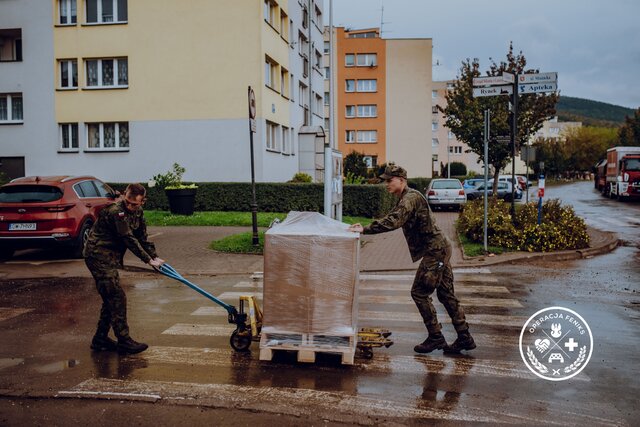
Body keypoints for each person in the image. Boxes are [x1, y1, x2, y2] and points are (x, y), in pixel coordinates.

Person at [349, 164, 475, 354]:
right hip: (439, 249)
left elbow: (394, 221)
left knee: (419, 293)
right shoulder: (406, 197)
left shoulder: (410, 198)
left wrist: (365, 229)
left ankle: (435, 337)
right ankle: (464, 337)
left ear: (401, 179)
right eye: (385, 181)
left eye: (389, 180)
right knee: (445, 294)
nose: (386, 184)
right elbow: (395, 217)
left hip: (436, 250)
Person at [84, 183, 164, 354]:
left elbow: (142, 237)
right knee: (117, 297)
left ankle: (100, 339)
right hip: (97, 256)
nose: (130, 206)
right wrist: (148, 260)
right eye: (128, 202)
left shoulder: (139, 212)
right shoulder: (116, 212)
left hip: (110, 257)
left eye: (134, 204)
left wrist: (155, 257)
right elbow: (128, 238)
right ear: (124, 197)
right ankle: (124, 341)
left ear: (143, 202)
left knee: (110, 298)